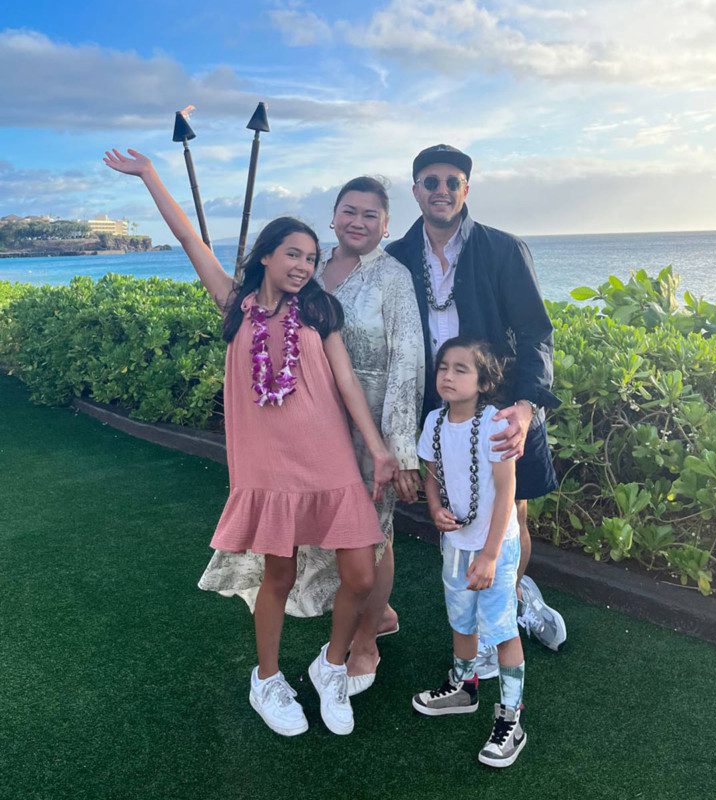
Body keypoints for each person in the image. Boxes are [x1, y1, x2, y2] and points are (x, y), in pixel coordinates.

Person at [103, 148, 398, 737]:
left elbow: (344, 382)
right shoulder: (235, 308)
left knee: (361, 576)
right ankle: (266, 680)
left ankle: (330, 665)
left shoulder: (319, 310)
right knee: (278, 578)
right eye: (293, 253)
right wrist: (150, 176)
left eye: (312, 257)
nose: (304, 265)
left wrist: (380, 449)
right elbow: (191, 242)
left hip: (331, 461)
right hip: (269, 469)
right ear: (265, 255)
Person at [199, 177, 425, 695]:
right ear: (334, 216)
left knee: (375, 537)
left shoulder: (392, 278)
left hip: (371, 425)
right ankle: (353, 629)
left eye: (372, 215)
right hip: (310, 434)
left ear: (386, 224)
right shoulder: (314, 278)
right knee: (314, 551)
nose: (360, 221)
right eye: (350, 211)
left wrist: (395, 447)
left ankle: (362, 642)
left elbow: (406, 363)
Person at [385, 144, 567, 677]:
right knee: (453, 511)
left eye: (452, 181)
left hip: (505, 404)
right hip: (435, 410)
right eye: (430, 181)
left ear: (467, 188)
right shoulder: (396, 257)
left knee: (512, 515)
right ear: (415, 188)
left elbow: (536, 331)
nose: (441, 190)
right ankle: (476, 621)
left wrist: (527, 406)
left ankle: (506, 608)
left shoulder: (503, 249)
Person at [412, 336, 527, 768]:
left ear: (483, 380)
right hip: (456, 545)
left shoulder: (496, 424)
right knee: (461, 620)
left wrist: (492, 554)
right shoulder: (434, 423)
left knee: (500, 630)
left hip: (493, 546)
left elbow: (505, 492)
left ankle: (512, 718)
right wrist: (437, 507)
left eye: (462, 369)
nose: (448, 375)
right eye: (444, 367)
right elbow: (431, 474)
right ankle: (463, 688)